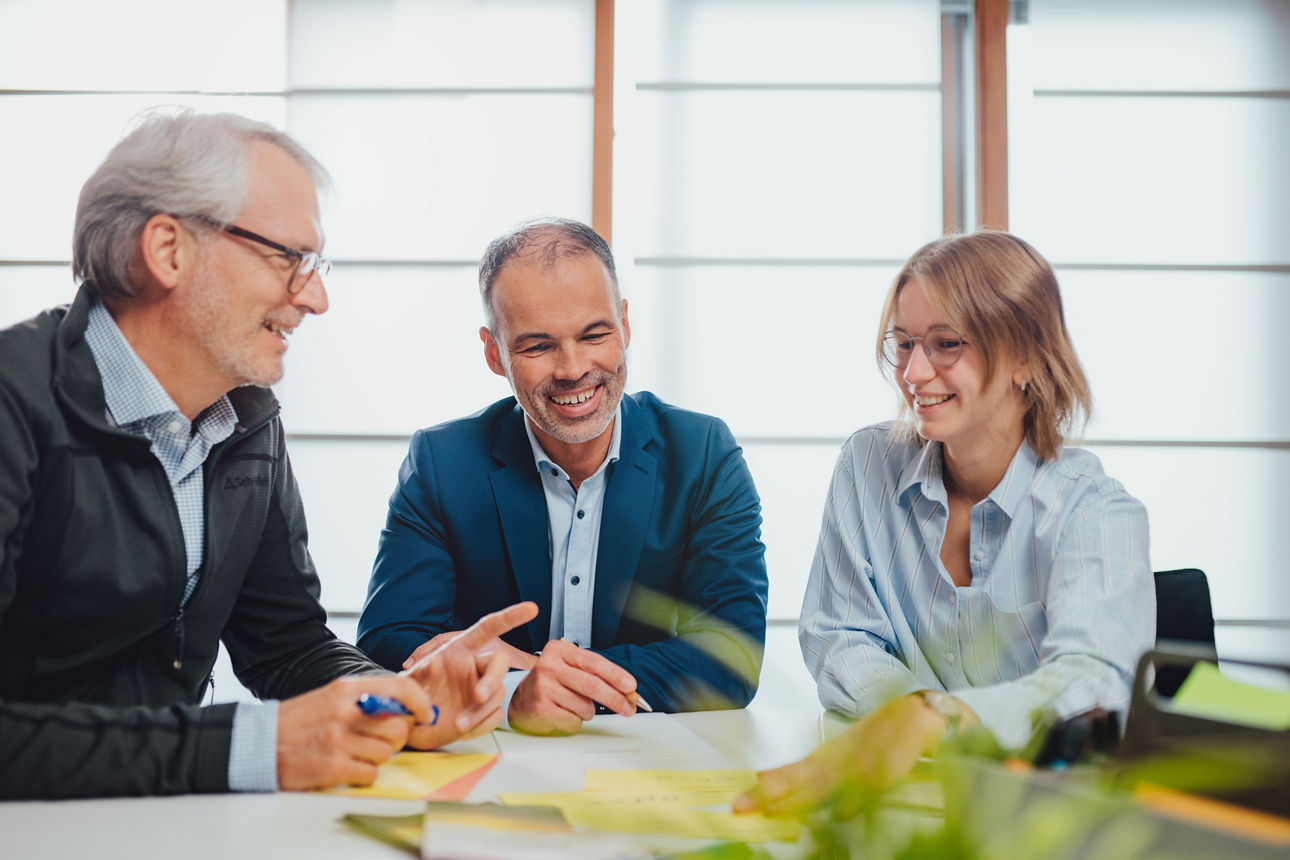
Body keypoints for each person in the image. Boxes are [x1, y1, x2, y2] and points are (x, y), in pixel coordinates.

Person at [0, 109, 538, 799]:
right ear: (168, 250)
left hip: (160, 826)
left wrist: (398, 700)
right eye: (291, 258)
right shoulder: (16, 403)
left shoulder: (246, 418)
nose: (315, 297)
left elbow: (288, 647)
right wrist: (246, 748)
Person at [735, 231, 1154, 815]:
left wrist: (938, 720)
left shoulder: (1097, 513)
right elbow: (837, 636)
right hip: (894, 800)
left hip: (1038, 817)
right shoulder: (867, 465)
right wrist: (918, 722)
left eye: (946, 344)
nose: (913, 372)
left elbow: (1094, 681)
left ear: (1027, 357)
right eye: (903, 344)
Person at [358, 218, 769, 735]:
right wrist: (517, 695)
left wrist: (535, 674)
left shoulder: (703, 453)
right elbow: (389, 640)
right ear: (494, 353)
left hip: (649, 759)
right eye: (537, 346)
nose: (573, 368)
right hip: (491, 767)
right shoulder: (444, 462)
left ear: (624, 324)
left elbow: (733, 656)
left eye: (595, 334)